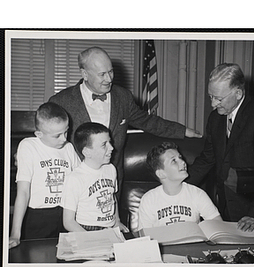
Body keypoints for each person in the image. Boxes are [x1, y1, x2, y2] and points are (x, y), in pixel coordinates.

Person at [48, 46, 201, 203]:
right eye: (102, 74)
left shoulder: (122, 97)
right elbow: (48, 141)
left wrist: (183, 131)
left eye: (111, 71)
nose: (109, 79)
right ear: (84, 74)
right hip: (74, 182)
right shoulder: (61, 102)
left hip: (112, 183)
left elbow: (148, 121)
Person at [187, 63, 254, 232]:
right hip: (226, 207)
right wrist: (179, 186)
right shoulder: (215, 118)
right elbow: (207, 159)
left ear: (238, 93)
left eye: (219, 98)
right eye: (211, 96)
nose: (213, 104)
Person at [9, 102, 80, 249]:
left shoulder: (68, 148)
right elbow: (23, 191)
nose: (64, 139)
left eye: (66, 132)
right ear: (39, 134)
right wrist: (15, 233)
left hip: (66, 214)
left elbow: (82, 178)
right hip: (38, 217)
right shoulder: (28, 146)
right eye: (57, 135)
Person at [137, 142, 222, 230]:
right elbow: (145, 237)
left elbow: (219, 225)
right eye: (174, 161)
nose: (183, 162)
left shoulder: (197, 194)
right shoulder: (148, 200)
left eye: (180, 157)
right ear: (161, 174)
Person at [62, 122, 128, 232]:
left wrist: (117, 221)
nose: (111, 148)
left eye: (110, 142)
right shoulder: (75, 178)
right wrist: (91, 238)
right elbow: (68, 222)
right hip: (86, 229)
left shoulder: (111, 169)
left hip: (110, 228)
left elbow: (112, 197)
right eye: (104, 145)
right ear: (87, 152)